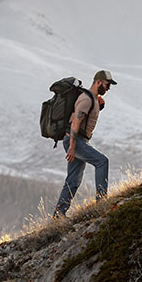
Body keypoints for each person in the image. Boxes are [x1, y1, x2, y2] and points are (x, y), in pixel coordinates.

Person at [53, 70, 115, 217]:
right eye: (107, 84)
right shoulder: (87, 99)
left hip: (77, 141)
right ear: (98, 82)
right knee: (102, 162)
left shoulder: (92, 99)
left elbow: (85, 119)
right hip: (75, 141)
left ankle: (58, 215)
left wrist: (99, 107)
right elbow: (76, 122)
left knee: (73, 180)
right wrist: (72, 147)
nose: (108, 88)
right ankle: (102, 203)